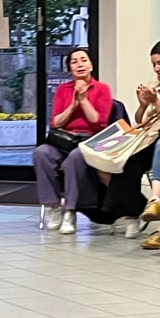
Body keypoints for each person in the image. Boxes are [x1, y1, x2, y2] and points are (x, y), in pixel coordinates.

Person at [32, 48, 112, 235]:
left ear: (91, 65)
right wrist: (73, 105)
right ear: (69, 69)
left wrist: (83, 100)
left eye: (83, 60)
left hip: (90, 140)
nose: (80, 64)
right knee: (41, 153)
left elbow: (99, 122)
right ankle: (54, 205)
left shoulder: (102, 89)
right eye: (74, 62)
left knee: (74, 159)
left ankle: (70, 210)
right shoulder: (63, 89)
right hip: (64, 139)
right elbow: (56, 122)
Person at [119, 40, 160, 249]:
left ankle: (156, 206)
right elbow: (141, 121)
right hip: (154, 138)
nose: (157, 69)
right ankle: (150, 218)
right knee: (131, 160)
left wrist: (157, 103)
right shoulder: (157, 85)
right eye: (154, 64)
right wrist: (143, 104)